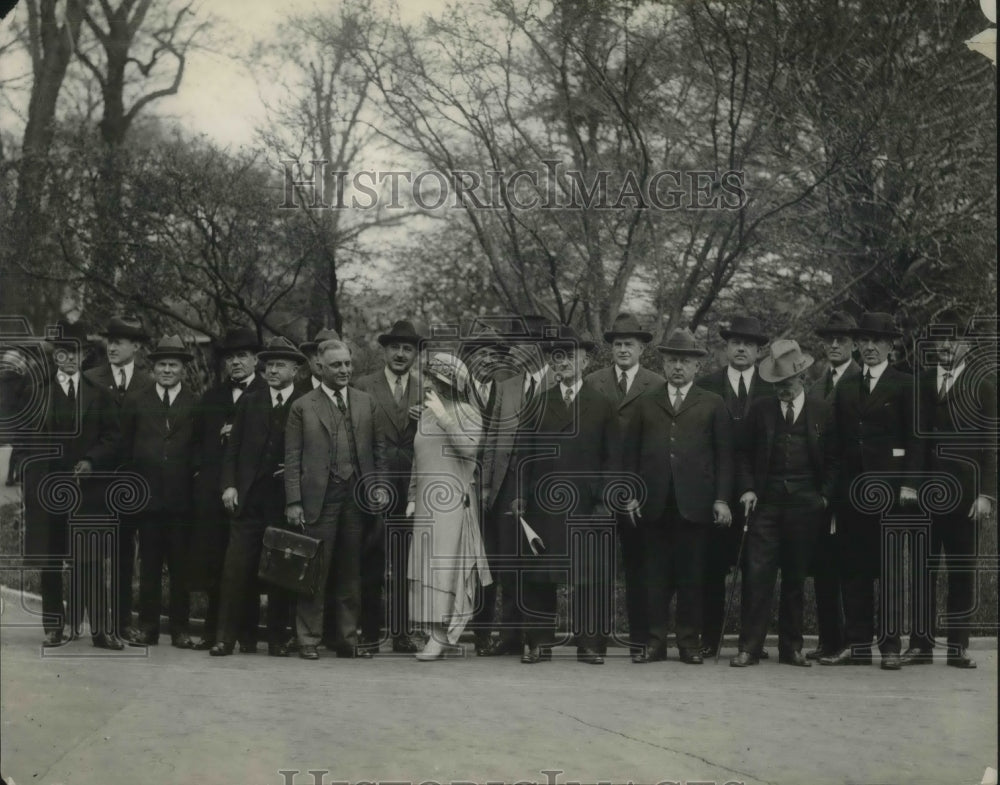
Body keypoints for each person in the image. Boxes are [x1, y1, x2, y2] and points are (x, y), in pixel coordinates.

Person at [626, 328, 734, 664]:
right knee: (654, 578)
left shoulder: (712, 403)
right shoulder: (646, 403)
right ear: (663, 362)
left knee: (692, 578)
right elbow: (631, 455)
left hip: (696, 506)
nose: (677, 367)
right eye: (672, 360)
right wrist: (631, 495)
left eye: (684, 362)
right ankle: (655, 643)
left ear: (696, 367)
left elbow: (724, 457)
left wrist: (720, 499)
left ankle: (689, 643)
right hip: (654, 505)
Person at [517, 326, 620, 664]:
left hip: (587, 505)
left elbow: (612, 458)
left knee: (589, 575)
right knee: (539, 575)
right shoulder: (538, 402)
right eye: (555, 356)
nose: (561, 362)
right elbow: (524, 454)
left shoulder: (603, 405)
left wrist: (605, 500)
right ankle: (538, 642)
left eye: (569, 355)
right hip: (543, 505)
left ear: (585, 360)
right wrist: (521, 496)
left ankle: (591, 644)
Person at [820, 312, 916, 670]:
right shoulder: (844, 388)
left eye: (878, 341)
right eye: (865, 341)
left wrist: (908, 484)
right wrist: (833, 493)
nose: (870, 347)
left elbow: (915, 440)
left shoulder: (905, 384)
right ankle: (857, 643)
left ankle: (890, 645)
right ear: (857, 345)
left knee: (889, 570)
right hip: (851, 494)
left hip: (891, 495)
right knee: (854, 569)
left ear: (891, 346)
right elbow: (834, 444)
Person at [901, 309, 995, 669]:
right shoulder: (921, 382)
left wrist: (986, 494)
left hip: (965, 499)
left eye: (952, 340)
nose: (944, 346)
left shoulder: (983, 385)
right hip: (924, 496)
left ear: (967, 345)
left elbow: (990, 445)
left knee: (961, 573)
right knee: (923, 573)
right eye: (939, 339)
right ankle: (920, 646)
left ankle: (957, 647)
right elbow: (914, 439)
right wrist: (909, 484)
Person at [283, 339, 388, 660]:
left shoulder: (365, 402)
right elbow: (292, 457)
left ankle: (346, 639)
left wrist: (380, 487)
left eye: (347, 364)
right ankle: (308, 639)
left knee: (350, 570)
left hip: (357, 497)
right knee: (314, 568)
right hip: (319, 497)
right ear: (320, 367)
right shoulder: (303, 406)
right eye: (336, 365)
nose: (344, 370)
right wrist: (293, 501)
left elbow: (378, 452)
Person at [22, 319, 121, 648]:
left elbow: (112, 438)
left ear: (84, 355)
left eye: (73, 352)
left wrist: (92, 460)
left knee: (90, 561)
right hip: (50, 492)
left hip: (87, 493)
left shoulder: (100, 395)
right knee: (51, 560)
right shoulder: (39, 393)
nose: (67, 358)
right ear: (55, 356)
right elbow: (27, 446)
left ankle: (100, 630)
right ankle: (54, 626)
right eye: (61, 352)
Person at [731, 340, 831, 668]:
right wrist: (747, 488)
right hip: (766, 504)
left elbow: (836, 458)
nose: (781, 391)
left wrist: (825, 496)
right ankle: (749, 647)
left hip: (805, 505)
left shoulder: (822, 410)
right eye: (776, 385)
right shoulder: (760, 409)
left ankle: (792, 649)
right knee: (757, 575)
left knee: (795, 578)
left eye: (786, 384)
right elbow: (743, 453)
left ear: (801, 378)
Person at [212, 337, 307, 657]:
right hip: (248, 498)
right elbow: (232, 450)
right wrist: (229, 485)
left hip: (285, 500)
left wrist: (299, 479)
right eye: (269, 364)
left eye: (281, 364)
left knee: (281, 571)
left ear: (296, 369)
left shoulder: (306, 402)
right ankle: (228, 637)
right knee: (236, 569)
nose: (273, 369)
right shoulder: (251, 401)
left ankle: (278, 639)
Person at [584, 312, 664, 661]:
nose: (623, 350)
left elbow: (657, 443)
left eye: (629, 344)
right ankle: (593, 642)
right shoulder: (592, 381)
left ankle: (640, 642)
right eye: (617, 344)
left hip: (637, 493)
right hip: (598, 491)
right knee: (596, 570)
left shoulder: (657, 384)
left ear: (642, 348)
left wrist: (636, 491)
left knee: (640, 570)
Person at [475, 315, 556, 655]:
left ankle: (540, 638)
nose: (513, 351)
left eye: (521, 345)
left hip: (545, 485)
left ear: (538, 348)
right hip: (507, 484)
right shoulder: (506, 384)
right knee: (508, 562)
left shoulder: (559, 382)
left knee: (540, 563)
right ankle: (510, 637)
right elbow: (493, 437)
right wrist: (487, 486)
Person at [405, 351, 491, 660]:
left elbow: (469, 449)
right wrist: (412, 497)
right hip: (426, 504)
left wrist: (444, 416)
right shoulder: (426, 412)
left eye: (433, 379)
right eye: (428, 377)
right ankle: (432, 631)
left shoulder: (468, 411)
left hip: (452, 502)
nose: (428, 383)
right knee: (424, 565)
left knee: (445, 566)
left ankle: (442, 634)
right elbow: (418, 458)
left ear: (447, 383)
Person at [696, 314, 772, 659]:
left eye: (750, 344)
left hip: (761, 495)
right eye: (735, 342)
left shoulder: (772, 388)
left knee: (758, 571)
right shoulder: (707, 387)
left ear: (758, 351)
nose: (742, 348)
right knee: (712, 568)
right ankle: (708, 638)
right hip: (717, 493)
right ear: (726, 347)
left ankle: (750, 643)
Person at [120, 335, 201, 647]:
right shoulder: (137, 402)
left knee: (181, 567)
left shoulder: (195, 403)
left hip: (181, 502)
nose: (167, 370)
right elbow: (126, 449)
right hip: (148, 500)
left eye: (173, 365)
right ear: (153, 368)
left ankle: (180, 630)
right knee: (150, 567)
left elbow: (198, 449)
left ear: (183, 369)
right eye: (162, 365)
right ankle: (149, 628)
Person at [190, 327, 265, 651]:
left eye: (242, 356)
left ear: (256, 360)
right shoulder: (212, 398)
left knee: (248, 566)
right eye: (231, 357)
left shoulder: (266, 393)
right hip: (215, 493)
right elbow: (197, 445)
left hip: (253, 494)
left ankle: (248, 634)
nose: (236, 363)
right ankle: (213, 631)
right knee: (217, 564)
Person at [353, 319, 424, 653]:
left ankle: (401, 633)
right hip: (374, 486)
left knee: (407, 562)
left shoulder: (427, 389)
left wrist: (427, 418)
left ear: (415, 354)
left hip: (412, 489)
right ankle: (368, 633)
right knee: (372, 561)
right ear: (384, 350)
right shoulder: (363, 386)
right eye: (395, 347)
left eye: (407, 348)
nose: (400, 353)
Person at [85, 314, 154, 643]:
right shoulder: (90, 379)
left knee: (125, 554)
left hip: (133, 485)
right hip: (96, 483)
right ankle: (99, 626)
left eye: (119, 341)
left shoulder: (149, 383)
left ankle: (124, 621)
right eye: (109, 341)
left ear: (136, 347)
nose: (111, 346)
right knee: (96, 555)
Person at [804, 311, 861, 661]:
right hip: (820, 492)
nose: (835, 345)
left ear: (854, 344)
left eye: (842, 339)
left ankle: (852, 641)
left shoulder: (861, 381)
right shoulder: (815, 384)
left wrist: (838, 495)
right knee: (823, 567)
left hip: (851, 492)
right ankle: (828, 639)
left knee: (851, 569)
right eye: (830, 340)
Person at [296, 328, 341, 394]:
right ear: (309, 360)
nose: (320, 360)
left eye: (327, 355)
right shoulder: (294, 391)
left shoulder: (350, 393)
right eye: (316, 354)